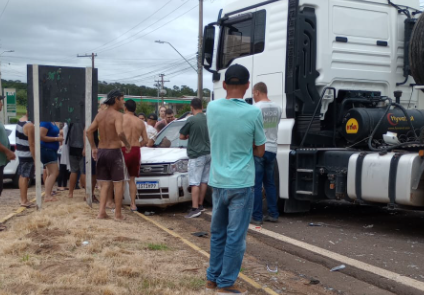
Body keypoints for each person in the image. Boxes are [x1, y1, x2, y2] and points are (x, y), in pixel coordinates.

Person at [205, 64, 266, 294]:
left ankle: (212, 278)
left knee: (218, 233)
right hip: (242, 182)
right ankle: (226, 283)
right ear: (248, 86)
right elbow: (260, 151)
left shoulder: (211, 108)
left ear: (224, 85)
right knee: (236, 237)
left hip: (218, 181)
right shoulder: (253, 112)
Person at [86, 89, 131, 220]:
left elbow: (89, 131)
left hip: (102, 151)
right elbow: (120, 133)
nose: (123, 102)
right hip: (114, 151)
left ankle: (101, 212)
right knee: (118, 184)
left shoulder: (100, 115)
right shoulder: (118, 115)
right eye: (122, 99)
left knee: (104, 184)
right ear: (116, 99)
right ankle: (117, 214)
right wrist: (127, 144)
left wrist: (94, 148)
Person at [251, 82, 282, 225]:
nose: (253, 97)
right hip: (273, 148)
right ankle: (273, 214)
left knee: (256, 184)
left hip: (259, 149)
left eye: (253, 94)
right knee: (269, 183)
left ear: (257, 92)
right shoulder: (278, 107)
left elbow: (251, 130)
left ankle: (257, 217)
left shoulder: (255, 108)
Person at [180, 98, 210, 218]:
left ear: (191, 107)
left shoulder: (191, 120)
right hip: (209, 153)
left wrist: (189, 135)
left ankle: (195, 208)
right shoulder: (208, 118)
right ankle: (200, 204)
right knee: (203, 180)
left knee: (194, 182)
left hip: (197, 154)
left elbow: (182, 136)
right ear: (202, 106)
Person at [122, 99, 147, 211]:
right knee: (132, 179)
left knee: (120, 179)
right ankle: (133, 204)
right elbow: (146, 140)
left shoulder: (121, 119)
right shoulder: (140, 122)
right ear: (135, 109)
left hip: (123, 148)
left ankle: (118, 203)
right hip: (135, 149)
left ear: (125, 108)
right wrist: (138, 145)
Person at [16, 112, 36, 208]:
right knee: (25, 176)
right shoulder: (29, 125)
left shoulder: (21, 120)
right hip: (27, 154)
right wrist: (35, 157)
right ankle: (24, 200)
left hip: (20, 153)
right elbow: (31, 143)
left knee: (23, 175)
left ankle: (23, 198)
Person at [40, 121, 63, 202]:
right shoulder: (45, 122)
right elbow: (41, 136)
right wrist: (56, 139)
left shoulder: (51, 122)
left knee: (50, 173)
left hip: (51, 149)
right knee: (54, 172)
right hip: (47, 149)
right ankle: (47, 195)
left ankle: (48, 193)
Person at [66, 123, 84, 199]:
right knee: (84, 171)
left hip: (72, 147)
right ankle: (88, 193)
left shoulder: (70, 121)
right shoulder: (85, 119)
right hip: (83, 147)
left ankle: (70, 193)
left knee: (73, 171)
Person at [57, 123, 70, 191]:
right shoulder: (62, 130)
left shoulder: (63, 130)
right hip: (61, 151)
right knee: (62, 170)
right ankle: (60, 185)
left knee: (65, 170)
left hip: (63, 150)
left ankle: (64, 185)